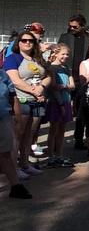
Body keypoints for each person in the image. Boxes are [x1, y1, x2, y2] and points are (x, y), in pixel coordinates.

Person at [4, 30, 49, 177]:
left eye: (31, 40)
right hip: (21, 100)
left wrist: (42, 87)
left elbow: (48, 75)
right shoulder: (13, 58)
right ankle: (14, 168)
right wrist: (34, 91)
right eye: (24, 40)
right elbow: (14, 80)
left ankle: (25, 164)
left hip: (37, 102)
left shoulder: (38, 58)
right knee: (17, 135)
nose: (27, 43)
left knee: (29, 135)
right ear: (18, 43)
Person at [57, 15, 89, 151]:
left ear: (82, 26)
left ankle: (79, 140)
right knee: (61, 109)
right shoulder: (65, 37)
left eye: (75, 27)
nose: (72, 28)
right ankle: (56, 141)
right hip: (66, 78)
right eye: (70, 26)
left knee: (81, 111)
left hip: (82, 80)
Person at [2, 67, 30, 198]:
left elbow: (13, 96)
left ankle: (15, 186)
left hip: (3, 118)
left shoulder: (3, 75)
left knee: (5, 153)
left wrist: (17, 116)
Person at [46, 44, 75, 167]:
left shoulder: (66, 68)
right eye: (63, 54)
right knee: (53, 130)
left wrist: (63, 86)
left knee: (62, 130)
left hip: (66, 100)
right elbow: (54, 87)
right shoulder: (52, 68)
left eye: (67, 54)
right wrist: (60, 104)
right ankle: (51, 156)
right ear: (56, 54)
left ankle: (59, 155)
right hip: (56, 102)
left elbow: (72, 86)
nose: (65, 56)